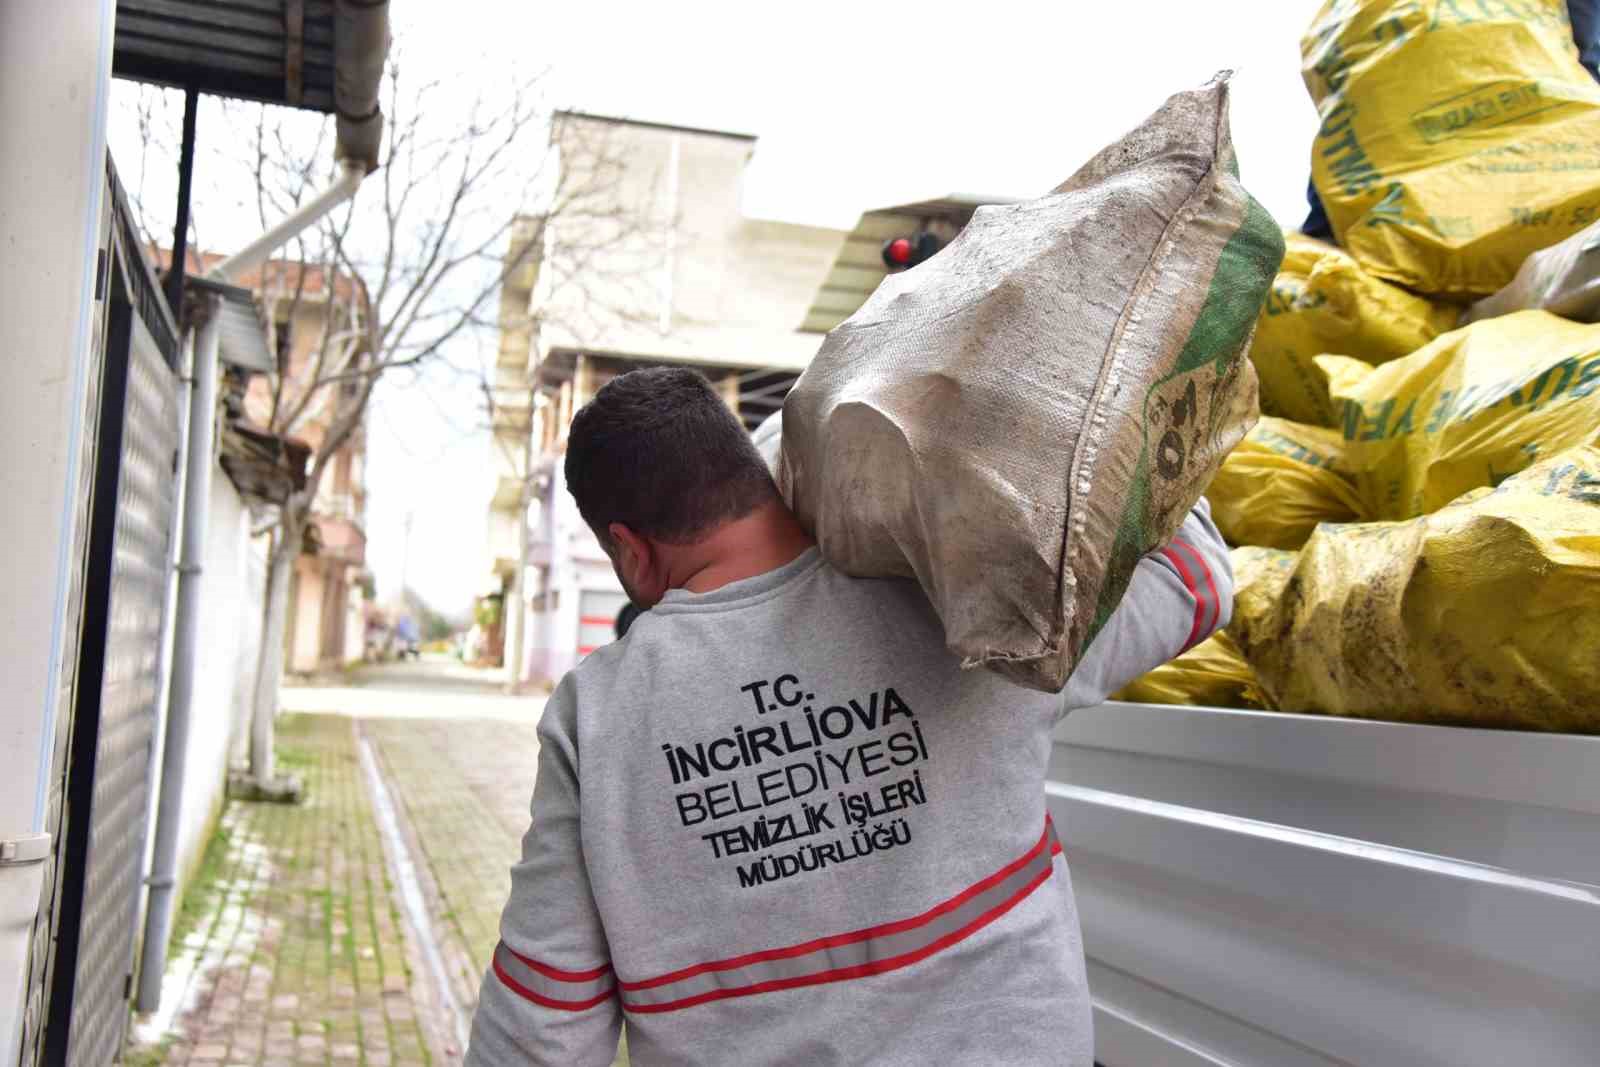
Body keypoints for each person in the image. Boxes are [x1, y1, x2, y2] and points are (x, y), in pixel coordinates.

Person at [466, 367, 1234, 1066]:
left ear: (630, 551)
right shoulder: (958, 606)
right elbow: (1196, 579)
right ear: (759, 478)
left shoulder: (597, 716)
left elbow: (540, 1033)